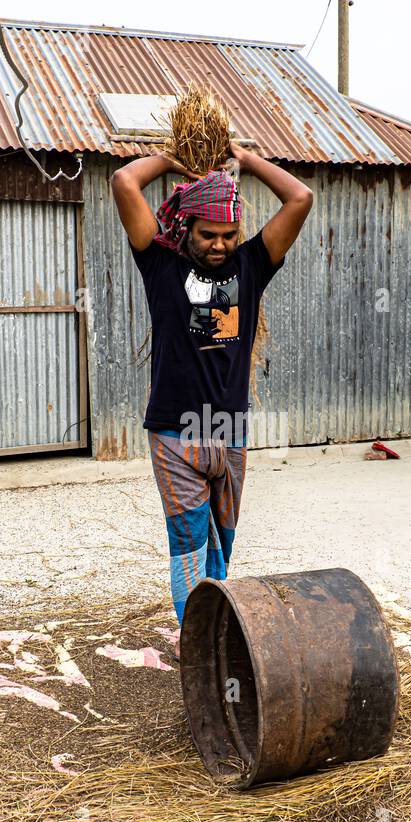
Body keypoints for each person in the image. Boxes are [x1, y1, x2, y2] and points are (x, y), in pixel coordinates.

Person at [110, 143, 313, 626]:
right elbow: (123, 182)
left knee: (222, 544)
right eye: (208, 235)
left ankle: (218, 633)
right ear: (186, 228)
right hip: (174, 434)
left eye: (228, 234)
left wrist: (246, 159)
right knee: (188, 546)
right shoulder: (160, 264)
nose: (219, 245)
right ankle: (195, 642)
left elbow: (300, 197)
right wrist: (172, 159)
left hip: (229, 431)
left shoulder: (252, 265)